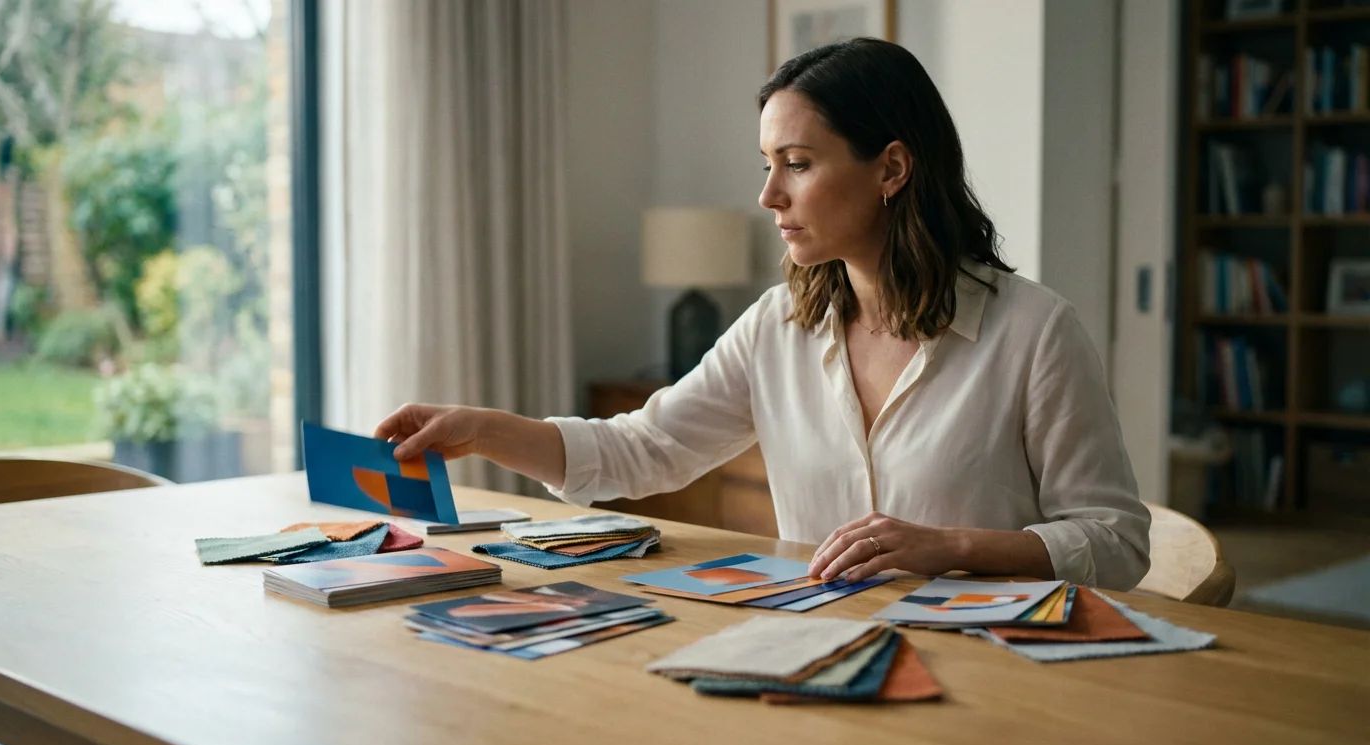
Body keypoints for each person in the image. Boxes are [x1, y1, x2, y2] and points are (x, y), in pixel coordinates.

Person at [375, 38, 1151, 591]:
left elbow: (1116, 543)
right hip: (813, 651)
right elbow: (641, 451)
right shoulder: (779, 326)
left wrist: (949, 546)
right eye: (767, 164)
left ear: (891, 167)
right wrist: (486, 430)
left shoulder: (1036, 333)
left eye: (798, 164)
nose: (768, 196)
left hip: (996, 676)